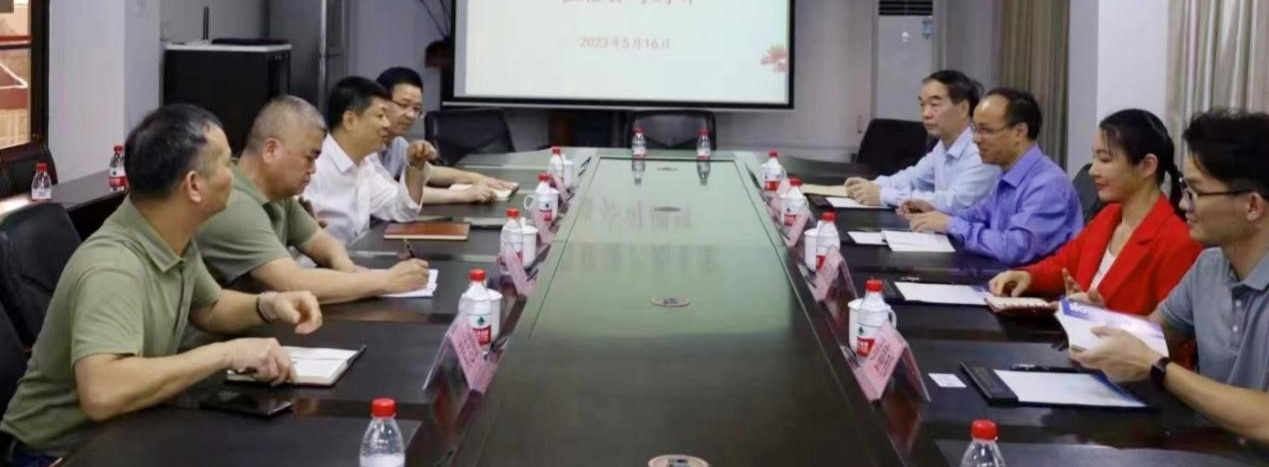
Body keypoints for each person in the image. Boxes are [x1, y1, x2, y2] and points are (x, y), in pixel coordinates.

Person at [0, 105, 323, 465]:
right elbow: (102, 392)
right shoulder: (114, 267)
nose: (233, 173)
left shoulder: (172, 235)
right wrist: (226, 354)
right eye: (224, 164)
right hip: (59, 455)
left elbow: (210, 307)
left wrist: (268, 304)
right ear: (194, 186)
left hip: (124, 434)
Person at [1071, 109, 1269, 449]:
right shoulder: (1208, 266)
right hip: (1212, 448)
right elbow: (1153, 335)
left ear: (1252, 206)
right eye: (1184, 188)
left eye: (1196, 193)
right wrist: (1101, 320)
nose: (1183, 204)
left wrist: (1160, 368)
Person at [195, 96, 431, 303]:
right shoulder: (235, 204)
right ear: (270, 151)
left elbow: (320, 241)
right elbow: (292, 282)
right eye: (309, 158)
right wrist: (386, 280)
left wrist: (345, 268)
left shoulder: (278, 194)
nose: (314, 169)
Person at [989, 109, 1202, 317]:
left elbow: (1173, 332)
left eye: (1105, 160)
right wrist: (1028, 276)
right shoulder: (1109, 216)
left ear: (1147, 166)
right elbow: (1064, 264)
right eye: (1094, 158)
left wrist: (1104, 316)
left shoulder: (1177, 241)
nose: (1092, 171)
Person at [902, 88, 1083, 266]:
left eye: (986, 130)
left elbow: (1015, 249)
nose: (975, 139)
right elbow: (978, 214)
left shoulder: (1047, 184)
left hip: (1030, 282)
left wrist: (951, 224)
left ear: (1019, 132)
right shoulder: (1007, 172)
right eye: (974, 129)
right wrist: (935, 212)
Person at [303, 76, 436, 243]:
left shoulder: (364, 166)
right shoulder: (313, 168)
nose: (387, 124)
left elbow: (403, 211)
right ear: (350, 120)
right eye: (380, 116)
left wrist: (415, 166)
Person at [844, 70, 999, 212]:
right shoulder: (943, 145)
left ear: (963, 108)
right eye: (922, 105)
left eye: (934, 105)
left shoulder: (981, 150)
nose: (925, 113)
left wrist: (884, 195)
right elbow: (914, 178)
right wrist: (872, 185)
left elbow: (954, 201)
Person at [374, 67, 517, 204]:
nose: (411, 115)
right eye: (403, 105)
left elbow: (431, 172)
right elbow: (396, 193)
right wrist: (464, 195)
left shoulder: (397, 142)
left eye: (416, 109)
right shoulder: (366, 146)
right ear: (380, 102)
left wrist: (478, 178)